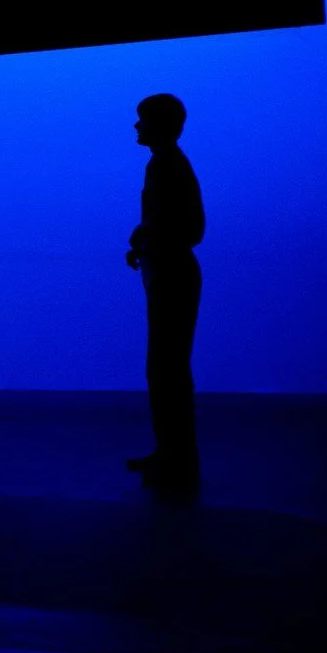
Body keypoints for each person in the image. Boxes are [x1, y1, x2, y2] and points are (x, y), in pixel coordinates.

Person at [124, 93, 204, 490]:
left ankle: (177, 461)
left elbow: (191, 228)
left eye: (142, 119)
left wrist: (149, 242)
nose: (136, 126)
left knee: (167, 369)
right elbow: (170, 221)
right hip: (166, 276)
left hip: (171, 277)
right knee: (166, 369)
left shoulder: (167, 164)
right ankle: (170, 454)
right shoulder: (164, 164)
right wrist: (143, 239)